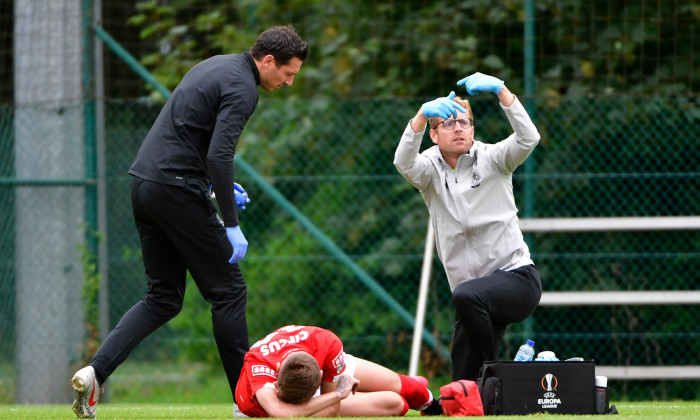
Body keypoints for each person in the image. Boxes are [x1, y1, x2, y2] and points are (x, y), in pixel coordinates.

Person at [70, 26, 309, 419]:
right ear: (268, 61)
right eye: (288, 72)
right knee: (229, 292)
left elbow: (188, 138)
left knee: (162, 297)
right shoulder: (245, 88)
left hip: (146, 186)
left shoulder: (216, 66)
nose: (289, 81)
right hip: (177, 189)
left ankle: (95, 372)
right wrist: (229, 219)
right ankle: (246, 404)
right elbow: (219, 155)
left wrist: (218, 190)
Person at [393, 72, 543, 387]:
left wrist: (502, 90)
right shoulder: (429, 171)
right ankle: (470, 396)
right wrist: (421, 115)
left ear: (473, 129)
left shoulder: (494, 159)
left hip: (517, 279)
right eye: (448, 123)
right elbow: (403, 162)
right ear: (434, 134)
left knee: (466, 298)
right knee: (459, 386)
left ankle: (496, 377)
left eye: (464, 122)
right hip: (472, 297)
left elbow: (529, 138)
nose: (458, 128)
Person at [234, 325, 435, 417]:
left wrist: (333, 385)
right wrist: (339, 393)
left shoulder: (325, 342)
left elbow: (328, 405)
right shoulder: (258, 364)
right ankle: (368, 391)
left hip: (321, 375)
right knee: (396, 403)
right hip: (320, 387)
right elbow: (281, 412)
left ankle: (430, 401)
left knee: (407, 388)